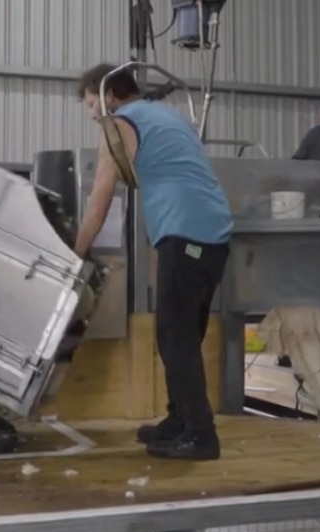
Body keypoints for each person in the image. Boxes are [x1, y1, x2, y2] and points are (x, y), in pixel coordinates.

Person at [72, 62, 233, 461]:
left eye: (92, 104)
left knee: (175, 337)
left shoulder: (119, 123)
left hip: (187, 233)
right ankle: (178, 419)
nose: (93, 114)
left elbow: (101, 196)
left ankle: (200, 435)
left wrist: (74, 253)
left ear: (109, 95)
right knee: (183, 335)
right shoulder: (163, 116)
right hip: (209, 235)